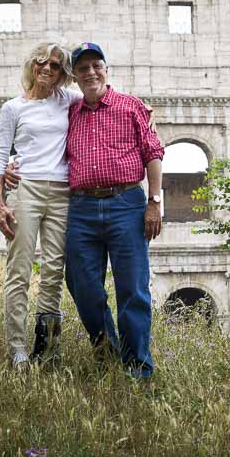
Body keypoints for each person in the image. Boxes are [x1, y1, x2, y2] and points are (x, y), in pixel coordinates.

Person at [65, 42, 164, 378]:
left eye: (96, 66)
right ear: (75, 77)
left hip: (126, 204)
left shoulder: (131, 106)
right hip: (82, 207)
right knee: (82, 285)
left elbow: (153, 152)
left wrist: (154, 201)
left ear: (106, 69)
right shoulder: (70, 114)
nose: (90, 72)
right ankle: (107, 354)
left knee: (133, 289)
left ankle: (138, 370)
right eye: (82, 68)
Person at [0, 42, 77, 370]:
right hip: (24, 190)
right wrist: (0, 204)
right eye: (42, 62)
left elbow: (104, 97)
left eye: (55, 65)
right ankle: (17, 350)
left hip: (61, 192)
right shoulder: (13, 108)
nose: (47, 69)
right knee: (19, 271)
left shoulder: (68, 100)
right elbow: (1, 156)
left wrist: (142, 112)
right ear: (32, 65)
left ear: (61, 73)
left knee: (55, 270)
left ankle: (48, 349)